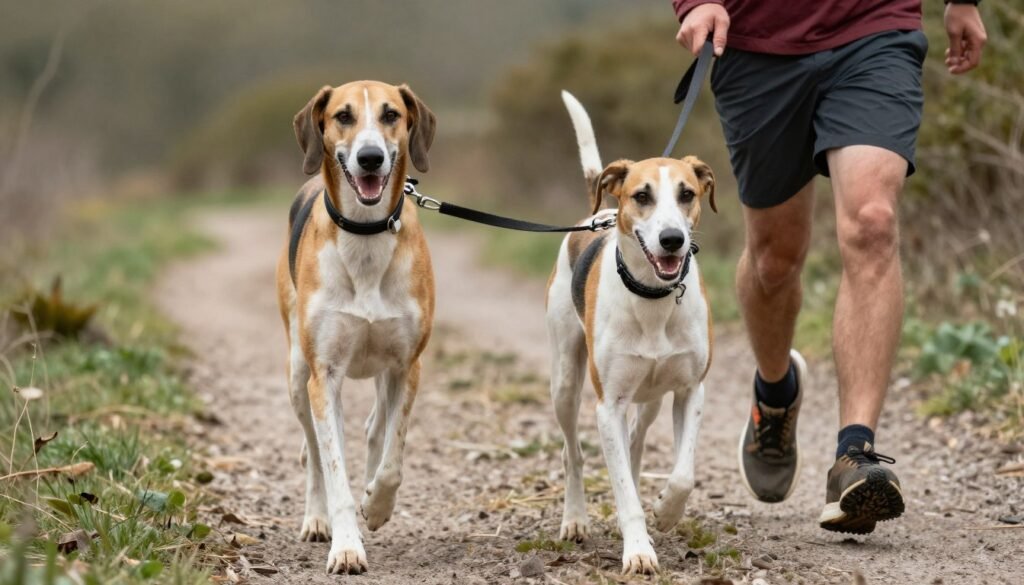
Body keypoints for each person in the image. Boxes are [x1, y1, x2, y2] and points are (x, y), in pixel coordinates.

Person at [671, 0, 987, 533]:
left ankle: (855, 454)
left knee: (873, 223)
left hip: (875, 28)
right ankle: (775, 393)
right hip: (758, 43)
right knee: (775, 258)